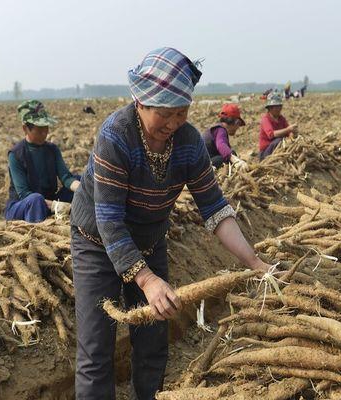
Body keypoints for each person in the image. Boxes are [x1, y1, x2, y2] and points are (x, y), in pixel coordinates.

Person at [69, 47, 272, 400]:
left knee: (152, 343)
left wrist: (255, 263)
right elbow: (110, 221)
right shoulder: (115, 135)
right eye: (165, 114)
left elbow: (214, 208)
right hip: (98, 241)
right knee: (96, 350)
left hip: (149, 242)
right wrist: (146, 280)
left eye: (181, 113)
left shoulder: (190, 142)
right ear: (141, 103)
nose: (173, 123)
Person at [4, 100, 80, 223]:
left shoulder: (52, 149)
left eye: (46, 128)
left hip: (48, 200)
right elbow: (24, 194)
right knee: (36, 199)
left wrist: (84, 190)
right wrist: (56, 206)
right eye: (39, 130)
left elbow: (66, 177)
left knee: (81, 182)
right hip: (23, 206)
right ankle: (37, 231)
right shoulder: (16, 155)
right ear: (25, 129)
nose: (44, 133)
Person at [202, 103, 247, 169]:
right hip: (202, 165)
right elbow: (221, 145)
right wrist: (236, 161)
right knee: (228, 158)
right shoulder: (220, 130)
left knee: (231, 153)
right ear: (236, 122)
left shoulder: (217, 128)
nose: (238, 127)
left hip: (203, 162)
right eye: (239, 124)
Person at [258, 92, 297, 160]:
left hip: (278, 149)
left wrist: (292, 135)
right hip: (266, 152)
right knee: (279, 141)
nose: (279, 109)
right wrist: (288, 129)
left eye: (280, 106)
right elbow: (271, 134)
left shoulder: (281, 118)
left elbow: (288, 131)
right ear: (270, 108)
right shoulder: (265, 119)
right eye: (276, 107)